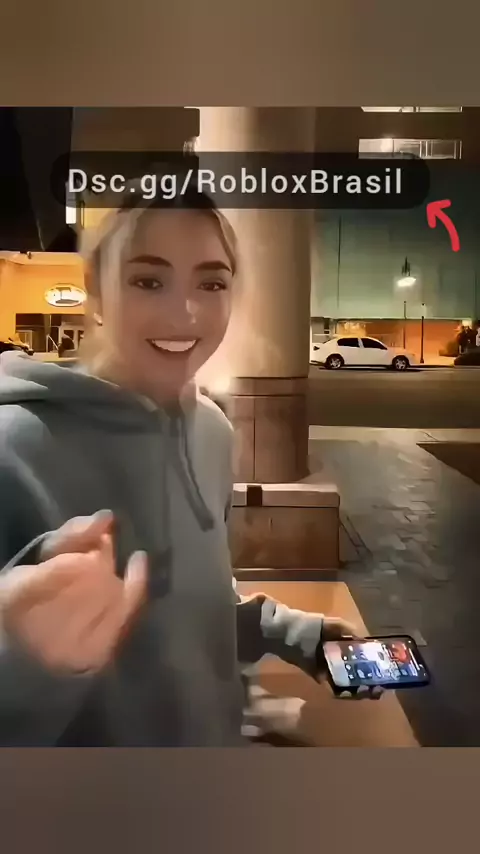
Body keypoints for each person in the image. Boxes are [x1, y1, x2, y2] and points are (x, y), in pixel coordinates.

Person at [0, 184, 379, 747]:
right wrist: (25, 659)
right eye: (148, 281)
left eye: (212, 283)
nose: (186, 314)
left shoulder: (212, 431)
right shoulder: (14, 446)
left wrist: (297, 635)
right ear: (95, 291)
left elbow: (197, 605)